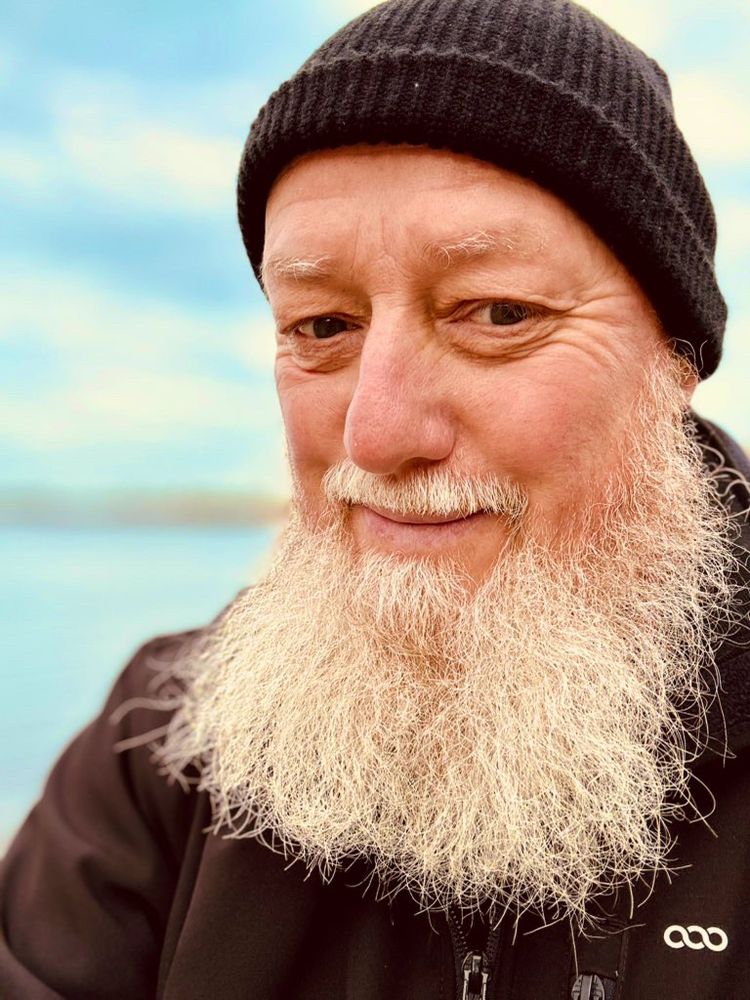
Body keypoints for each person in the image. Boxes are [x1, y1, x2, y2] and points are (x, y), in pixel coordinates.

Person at [2, 0, 749, 997]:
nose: (377, 433)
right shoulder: (162, 746)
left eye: (499, 312)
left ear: (675, 360)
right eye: (321, 327)